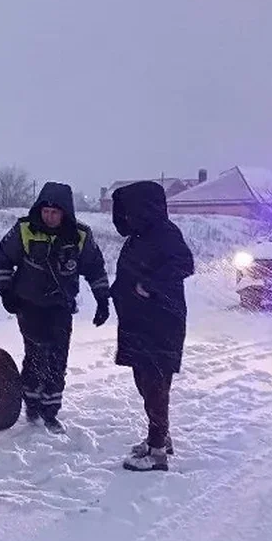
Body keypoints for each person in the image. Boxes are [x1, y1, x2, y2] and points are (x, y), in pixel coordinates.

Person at [0, 181, 111, 433]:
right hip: (29, 305)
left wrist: (103, 299)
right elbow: (3, 258)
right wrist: (6, 292)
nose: (49, 217)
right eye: (45, 211)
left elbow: (95, 268)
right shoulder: (24, 229)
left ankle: (50, 412)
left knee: (58, 359)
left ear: (65, 212)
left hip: (61, 307)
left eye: (54, 212)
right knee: (36, 355)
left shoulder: (80, 236)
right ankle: (32, 406)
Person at [109, 181, 194, 471]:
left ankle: (157, 451)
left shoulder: (165, 233)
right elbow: (130, 273)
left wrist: (150, 285)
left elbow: (184, 264)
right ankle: (160, 436)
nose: (126, 217)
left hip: (161, 323)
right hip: (138, 323)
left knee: (156, 384)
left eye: (129, 211)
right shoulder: (137, 237)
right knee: (144, 382)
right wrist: (116, 292)